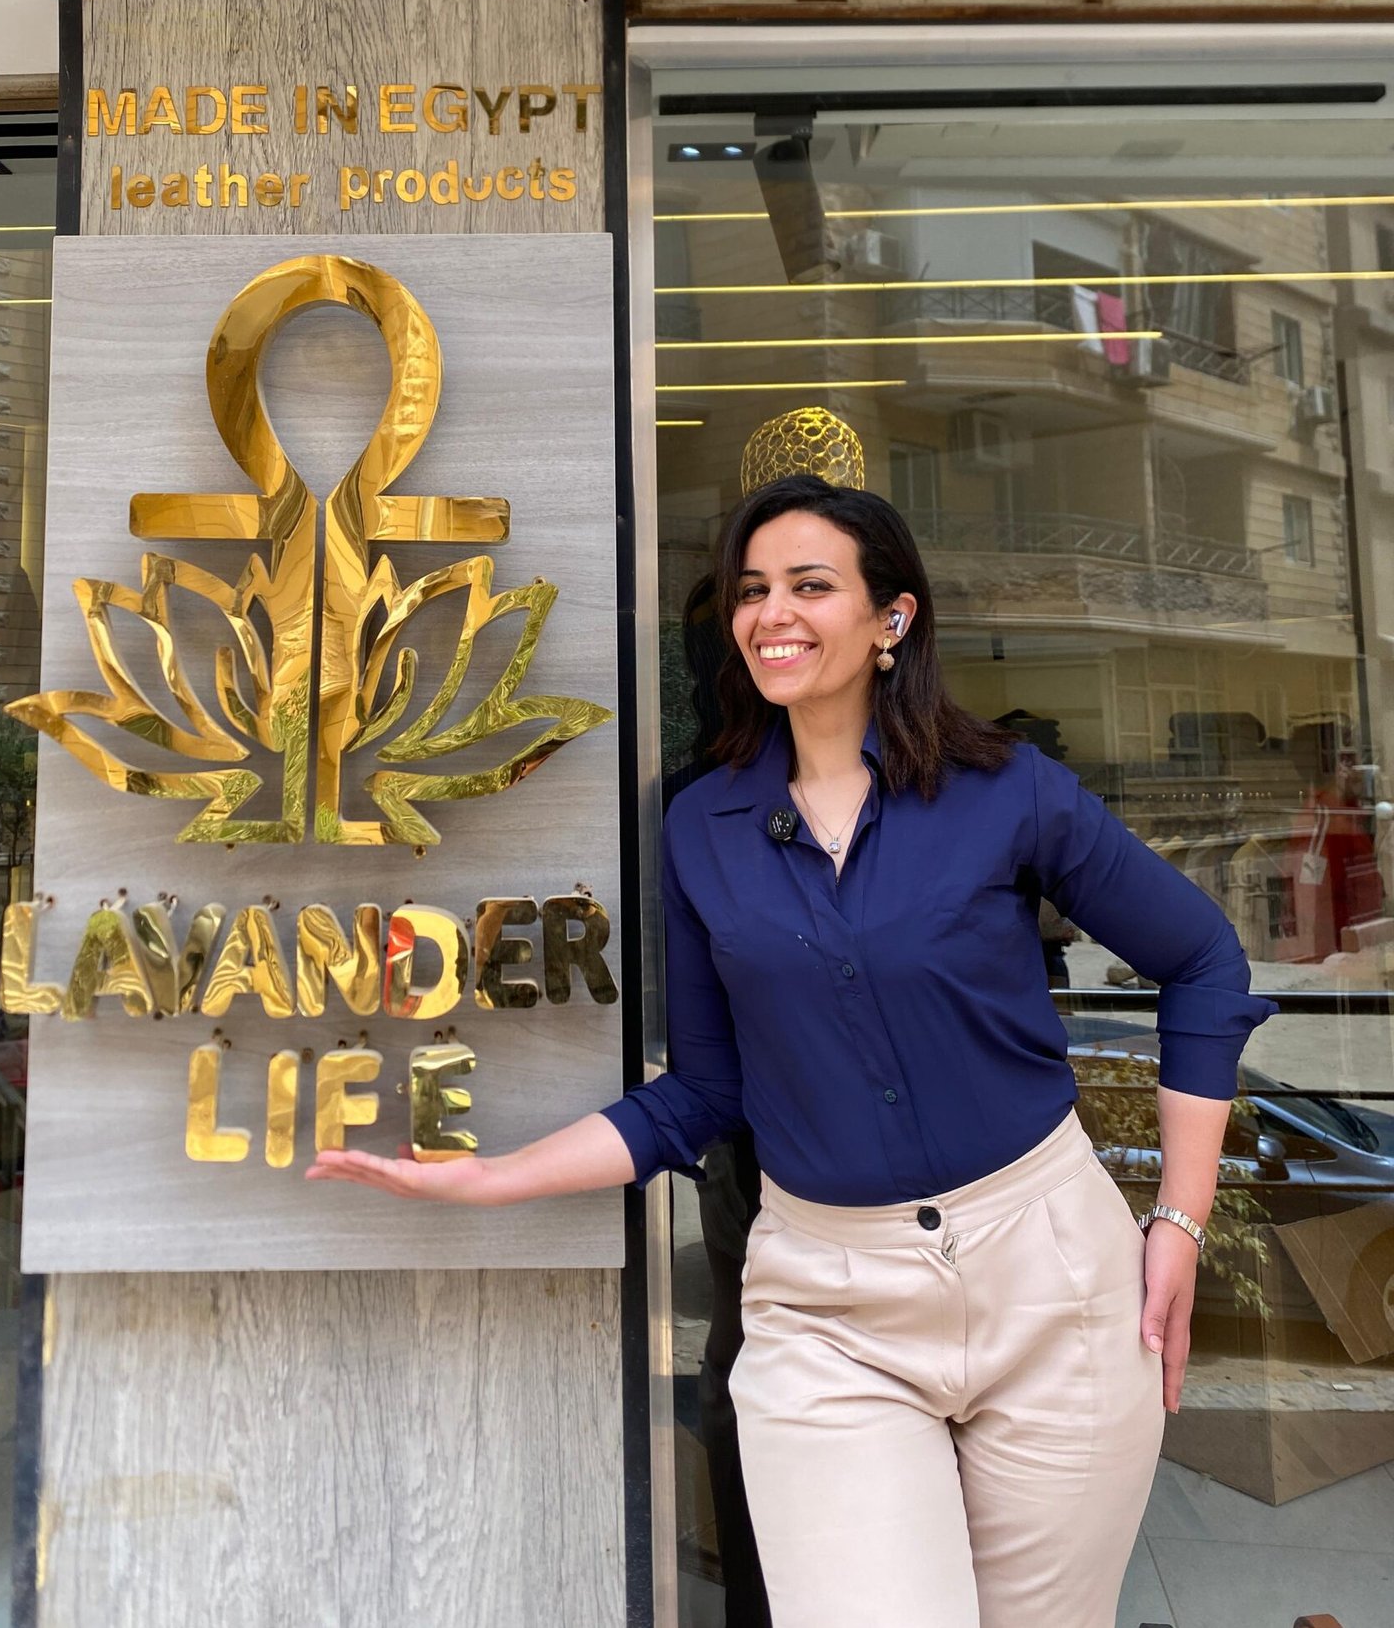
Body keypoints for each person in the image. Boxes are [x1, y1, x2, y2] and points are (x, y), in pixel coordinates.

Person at [308, 476, 1277, 1628]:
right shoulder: (700, 826)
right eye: (752, 589)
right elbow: (704, 1091)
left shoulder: (1004, 791)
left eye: (810, 586)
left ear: (890, 618)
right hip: (827, 1307)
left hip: (1052, 1274)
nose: (772, 612)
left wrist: (1178, 1218)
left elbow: (1203, 962)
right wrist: (491, 1178)